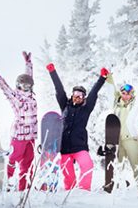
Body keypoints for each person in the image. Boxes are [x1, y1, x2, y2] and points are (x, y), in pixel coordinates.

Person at [46, 62, 108, 191]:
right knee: (68, 175)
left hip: (79, 146)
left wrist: (102, 78)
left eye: (81, 95)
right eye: (75, 93)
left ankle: (84, 190)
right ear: (72, 94)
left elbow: (94, 93)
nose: (77, 96)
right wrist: (52, 72)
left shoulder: (86, 109)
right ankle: (70, 191)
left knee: (88, 165)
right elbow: (59, 89)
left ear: (84, 98)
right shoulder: (65, 106)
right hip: (64, 148)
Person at [0, 51, 37, 195]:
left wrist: (28, 63)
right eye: (23, 86)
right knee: (12, 162)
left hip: (31, 137)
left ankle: (23, 190)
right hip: (19, 138)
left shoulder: (31, 94)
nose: (25, 88)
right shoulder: (15, 96)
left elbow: (29, 77)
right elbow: (6, 89)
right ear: (18, 86)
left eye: (28, 86)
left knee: (27, 165)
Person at [100, 73, 138, 190]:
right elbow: (110, 92)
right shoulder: (115, 104)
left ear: (132, 95)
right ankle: (116, 184)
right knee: (117, 164)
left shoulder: (135, 105)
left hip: (131, 139)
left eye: (128, 94)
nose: (125, 96)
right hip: (117, 139)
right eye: (123, 93)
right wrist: (109, 79)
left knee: (137, 163)